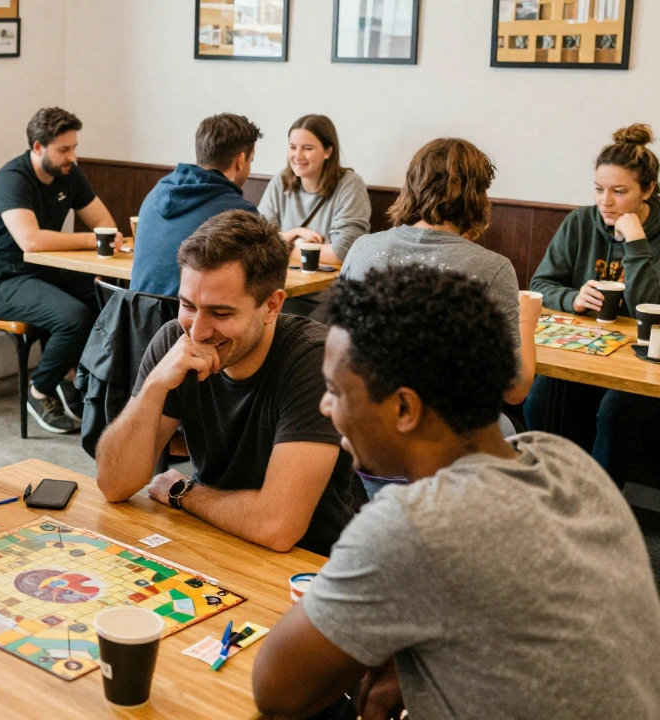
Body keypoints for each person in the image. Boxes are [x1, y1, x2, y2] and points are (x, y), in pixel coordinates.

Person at [252, 265, 660, 720]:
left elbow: (274, 690)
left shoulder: (413, 526)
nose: (325, 406)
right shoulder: (566, 463)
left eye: (334, 390)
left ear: (404, 407)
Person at [96, 210, 356, 556]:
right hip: (212, 540)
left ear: (271, 307)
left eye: (221, 313)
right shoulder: (175, 339)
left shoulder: (314, 360)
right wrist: (155, 385)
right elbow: (114, 484)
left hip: (303, 566)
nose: (198, 331)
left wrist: (183, 493)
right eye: (187, 305)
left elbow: (276, 527)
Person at [341, 138, 537, 497]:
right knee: (510, 431)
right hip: (442, 458)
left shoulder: (362, 248)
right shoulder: (492, 269)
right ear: (478, 197)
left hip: (361, 443)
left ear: (411, 186)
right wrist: (527, 319)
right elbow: (515, 387)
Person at [526, 124, 660, 488]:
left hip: (641, 364)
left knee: (615, 412)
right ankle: (546, 493)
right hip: (584, 350)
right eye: (599, 190)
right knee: (539, 398)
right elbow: (540, 285)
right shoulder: (581, 222)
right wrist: (573, 298)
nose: (606, 202)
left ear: (647, 190)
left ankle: (601, 508)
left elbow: (652, 309)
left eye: (620, 192)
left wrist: (635, 243)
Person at [0, 107, 122, 434]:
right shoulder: (11, 179)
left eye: (74, 147)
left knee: (109, 301)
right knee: (74, 318)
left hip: (46, 273)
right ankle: (39, 390)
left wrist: (100, 236)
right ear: (38, 148)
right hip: (2, 280)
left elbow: (105, 222)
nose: (72, 156)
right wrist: (90, 239)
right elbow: (31, 241)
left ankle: (73, 379)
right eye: (64, 149)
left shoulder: (69, 173)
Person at [130, 113, 262, 297]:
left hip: (137, 318)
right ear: (241, 159)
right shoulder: (239, 213)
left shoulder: (155, 193)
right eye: (251, 160)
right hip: (190, 323)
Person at [259, 115, 371, 317]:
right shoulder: (281, 181)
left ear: (328, 151)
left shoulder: (350, 185)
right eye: (293, 147)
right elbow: (258, 240)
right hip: (279, 293)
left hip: (329, 299)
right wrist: (295, 233)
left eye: (307, 148)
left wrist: (288, 245)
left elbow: (342, 252)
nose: (297, 155)